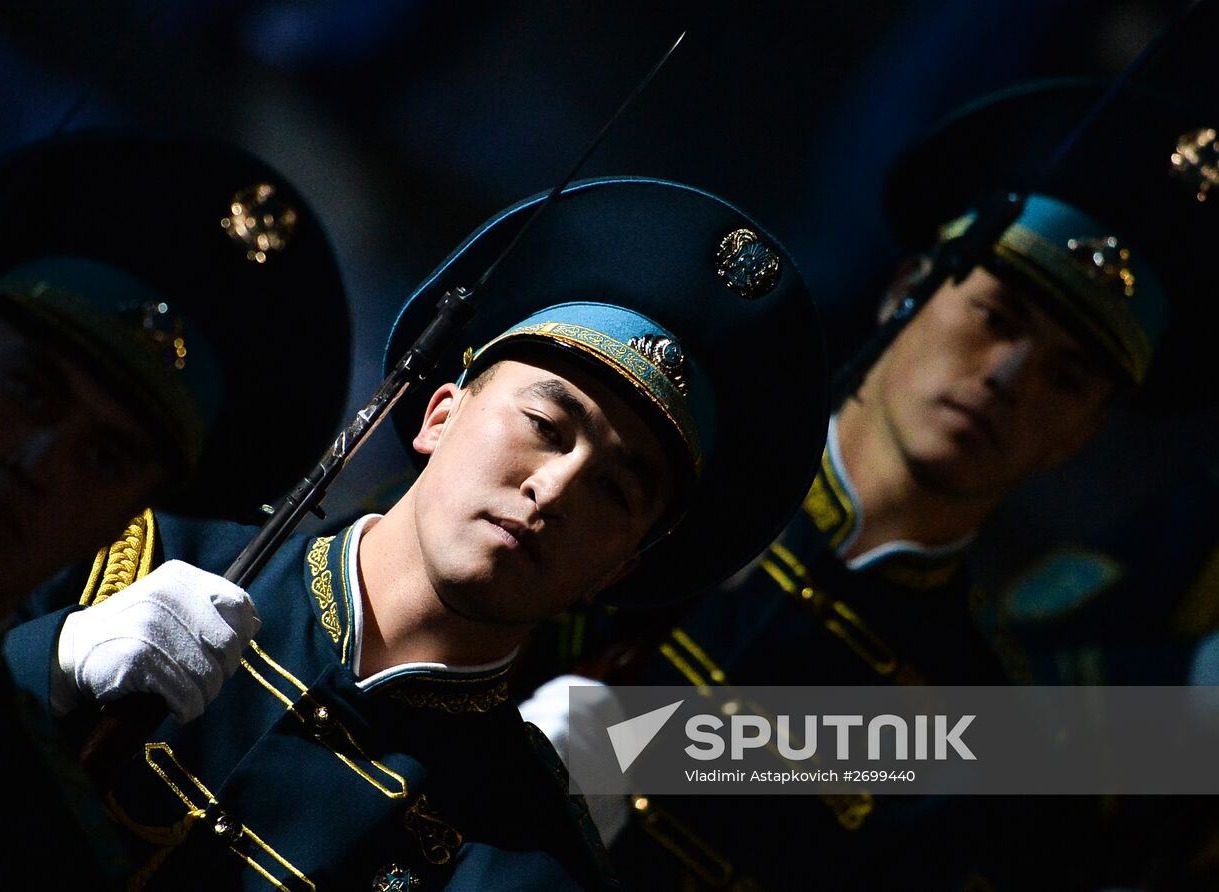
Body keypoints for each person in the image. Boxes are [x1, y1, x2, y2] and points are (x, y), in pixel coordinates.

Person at [3, 176, 829, 889]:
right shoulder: (128, 549)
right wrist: (47, 663)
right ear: (439, 412)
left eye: (616, 489)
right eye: (545, 422)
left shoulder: (520, 860)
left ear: (620, 567)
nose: (556, 486)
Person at [520, 81, 1219, 890]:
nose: (1009, 377)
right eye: (996, 316)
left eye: (1066, 379)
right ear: (907, 290)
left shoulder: (976, 711)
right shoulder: (659, 471)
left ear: (1083, 434)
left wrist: (632, 745)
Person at [0, 131, 352, 886]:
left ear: (123, 522)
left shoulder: (39, 850)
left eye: (106, 459)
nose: (38, 464)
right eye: (30, 391)